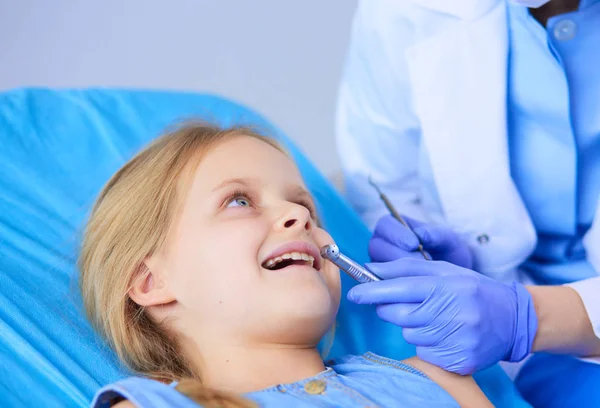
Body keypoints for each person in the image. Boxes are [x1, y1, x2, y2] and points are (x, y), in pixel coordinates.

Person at [79, 123, 493, 407]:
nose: (300, 217)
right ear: (152, 282)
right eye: (238, 201)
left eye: (303, 204)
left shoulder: (438, 379)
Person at [336, 0, 600, 404]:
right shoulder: (399, 14)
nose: (291, 218)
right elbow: (384, 187)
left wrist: (525, 318)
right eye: (239, 202)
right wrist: (460, 263)